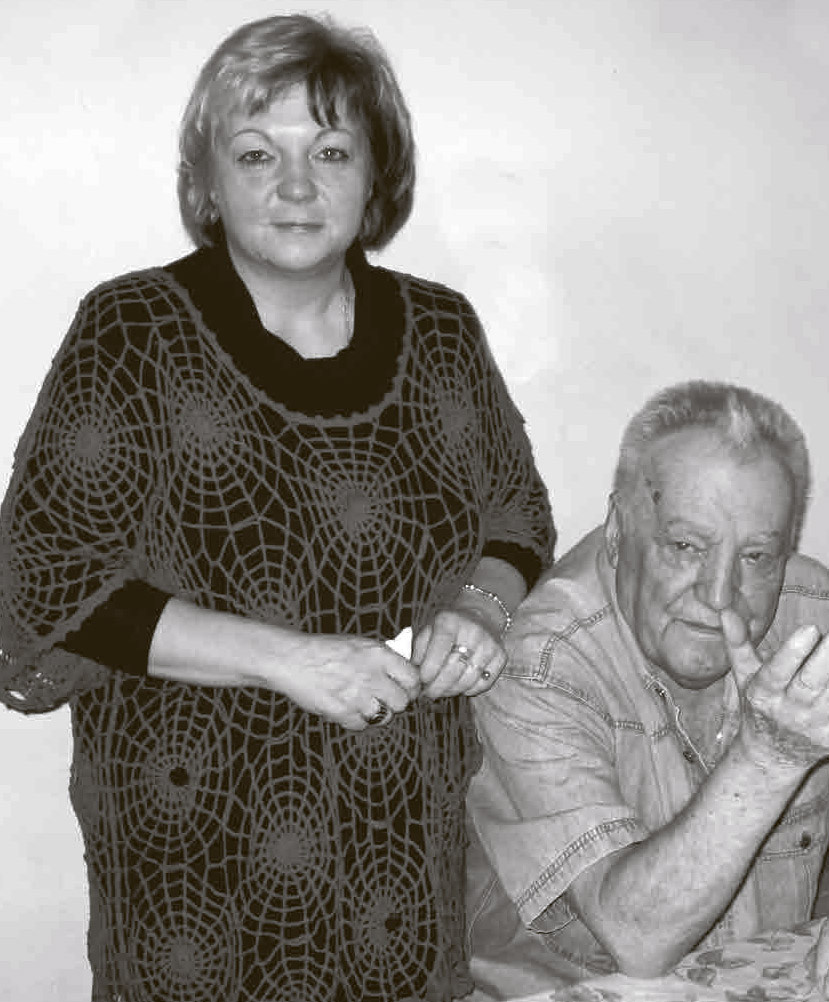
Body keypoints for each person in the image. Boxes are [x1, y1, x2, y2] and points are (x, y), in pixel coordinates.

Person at [0, 14, 554, 1002]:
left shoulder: (440, 330)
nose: (296, 186)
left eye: (330, 152)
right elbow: (43, 575)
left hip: (399, 853)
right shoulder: (133, 330)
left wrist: (479, 612)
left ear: (376, 176)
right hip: (192, 860)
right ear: (209, 183)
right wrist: (287, 659)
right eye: (257, 154)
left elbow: (516, 517)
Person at [467, 381, 829, 1002]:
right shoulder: (538, 666)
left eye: (757, 556)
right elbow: (637, 940)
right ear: (617, 530)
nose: (720, 594)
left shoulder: (820, 621)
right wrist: (769, 758)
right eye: (685, 547)